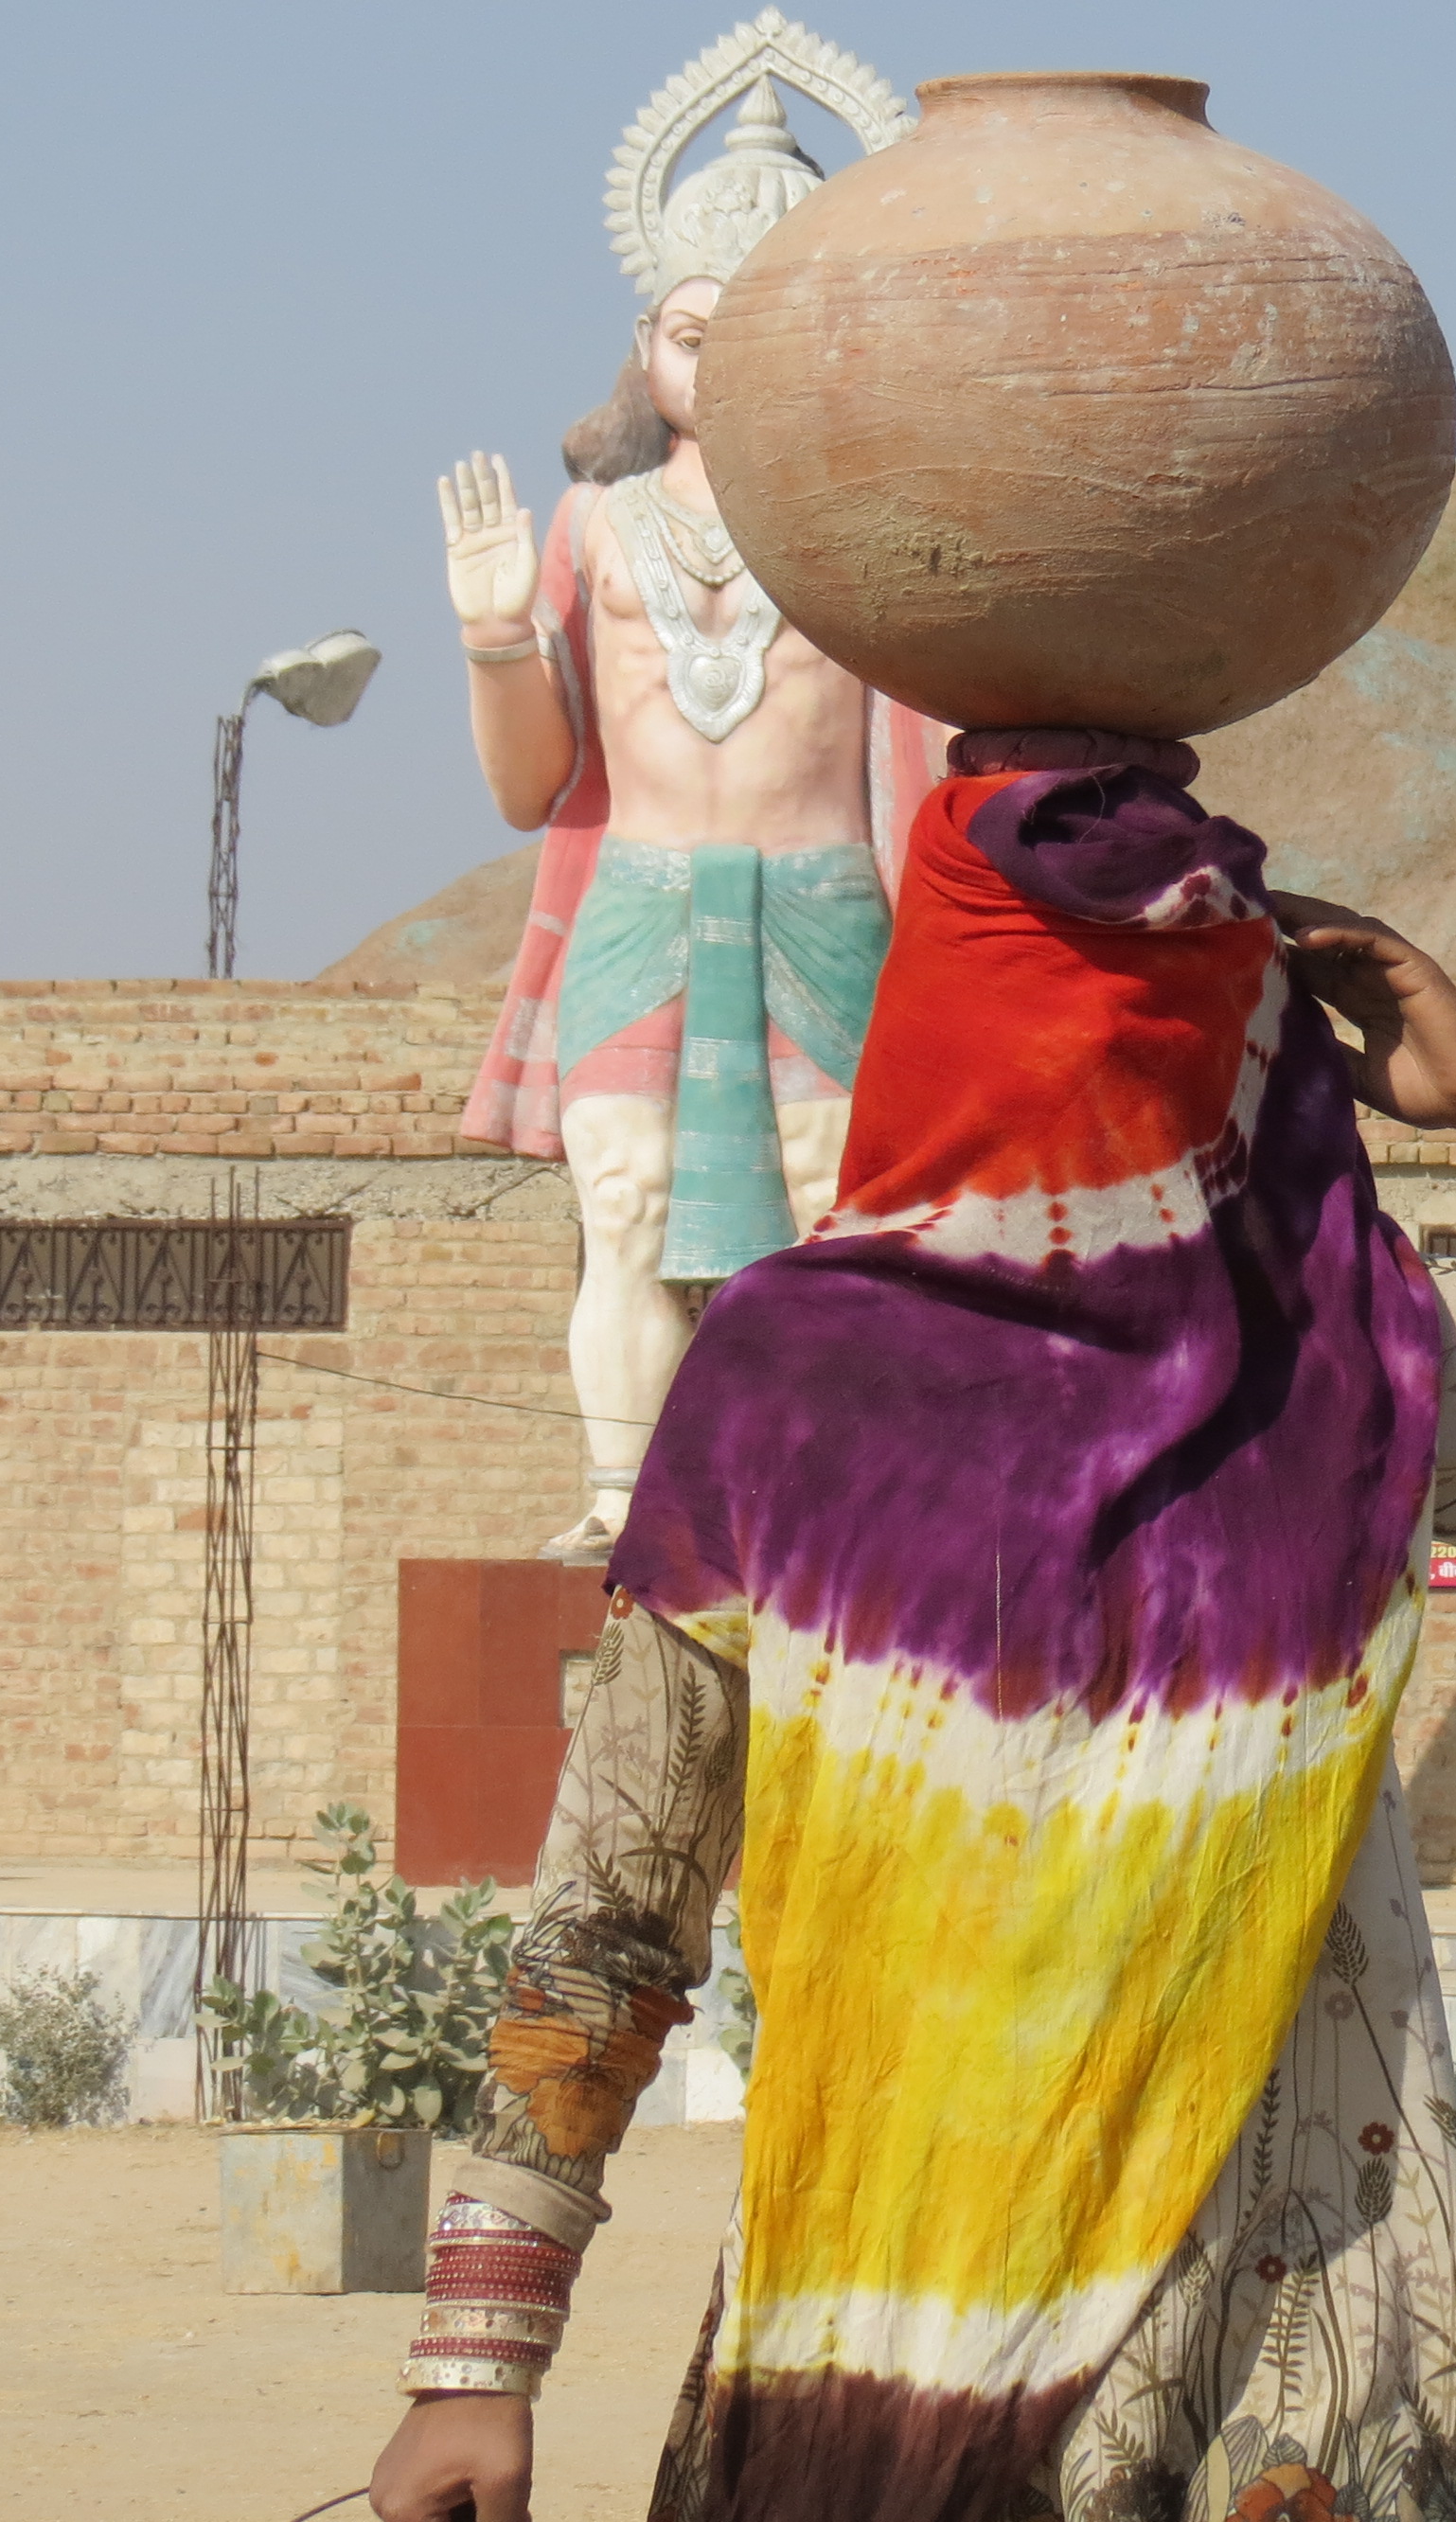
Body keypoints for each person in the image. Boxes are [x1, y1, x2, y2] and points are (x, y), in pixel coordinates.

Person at [363, 732, 1456, 2522]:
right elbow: (611, 1915)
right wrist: (475, 2370)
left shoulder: (1365, 1351)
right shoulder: (791, 1391)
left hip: (1293, 2395)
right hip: (895, 2377)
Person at [442, 56, 938, 1561]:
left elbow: (911, 765)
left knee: (832, 1208)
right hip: (642, 900)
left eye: (761, 336)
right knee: (629, 1203)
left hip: (824, 903)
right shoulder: (591, 527)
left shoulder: (863, 537)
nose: (719, 363)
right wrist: (487, 634)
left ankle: (836, 1511)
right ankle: (621, 1500)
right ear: (644, 346)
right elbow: (535, 783)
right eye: (692, 332)